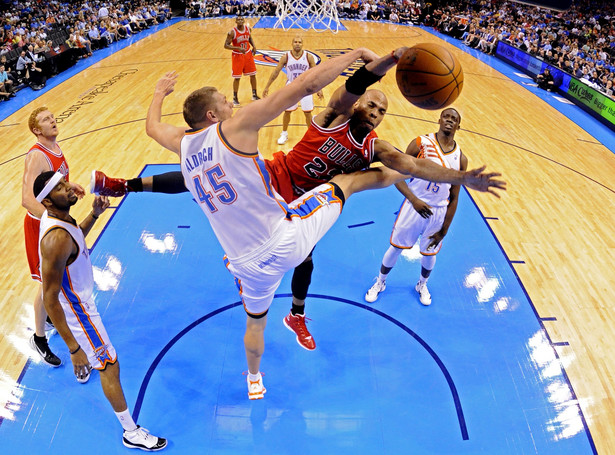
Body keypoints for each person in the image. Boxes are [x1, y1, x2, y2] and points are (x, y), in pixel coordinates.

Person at [141, 49, 504, 399]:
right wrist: (385, 62)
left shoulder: (374, 147)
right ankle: (135, 187)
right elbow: (349, 88)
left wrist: (460, 177)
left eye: (382, 110)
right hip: (277, 184)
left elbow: (410, 165)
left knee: (313, 251)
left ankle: (295, 315)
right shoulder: (335, 117)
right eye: (372, 104)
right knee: (348, 187)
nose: (375, 112)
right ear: (359, 104)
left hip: (297, 211)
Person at [34, 172, 167, 452]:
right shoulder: (54, 239)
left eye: (64, 182)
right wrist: (73, 348)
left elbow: (75, 242)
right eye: (59, 188)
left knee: (96, 358)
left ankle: (83, 365)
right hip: (78, 310)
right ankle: (131, 431)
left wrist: (93, 215)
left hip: (78, 301)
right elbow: (49, 299)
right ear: (46, 201)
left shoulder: (61, 221)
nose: (68, 188)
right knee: (109, 364)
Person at [365, 108, 464, 305]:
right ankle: (380, 282)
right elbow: (395, 173)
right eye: (447, 116)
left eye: (454, 119)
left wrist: (444, 230)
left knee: (429, 254)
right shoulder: (421, 143)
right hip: (413, 206)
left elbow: (454, 197)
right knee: (395, 248)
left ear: (458, 126)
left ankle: (422, 284)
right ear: (439, 119)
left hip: (438, 212)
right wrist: (413, 199)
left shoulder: (461, 158)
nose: (450, 120)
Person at [22, 107, 85, 367]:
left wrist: (71, 186)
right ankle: (39, 338)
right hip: (41, 227)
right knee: (46, 285)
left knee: (58, 279)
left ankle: (49, 317)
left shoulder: (55, 147)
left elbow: (54, 183)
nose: (53, 120)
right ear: (37, 129)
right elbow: (27, 199)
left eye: (52, 116)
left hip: (53, 224)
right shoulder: (37, 155)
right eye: (46, 119)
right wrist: (54, 220)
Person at [262, 36, 324, 145]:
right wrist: (267, 86)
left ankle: (310, 135)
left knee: (308, 112)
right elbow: (276, 72)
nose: (297, 44)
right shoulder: (286, 57)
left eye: (300, 42)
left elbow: (316, 74)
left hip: (306, 86)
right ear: (292, 43)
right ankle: (284, 133)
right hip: (291, 85)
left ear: (302, 44)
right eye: (295, 42)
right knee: (287, 111)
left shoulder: (308, 57)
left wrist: (319, 88)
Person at [224, 15, 259, 107]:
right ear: (235, 21)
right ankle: (235, 98)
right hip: (237, 56)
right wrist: (238, 48)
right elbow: (226, 45)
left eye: (241, 19)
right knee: (237, 77)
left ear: (244, 21)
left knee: (253, 74)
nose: (240, 21)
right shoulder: (232, 32)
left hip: (248, 54)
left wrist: (254, 46)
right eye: (238, 19)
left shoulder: (248, 29)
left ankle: (254, 94)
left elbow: (249, 38)